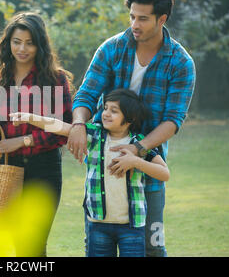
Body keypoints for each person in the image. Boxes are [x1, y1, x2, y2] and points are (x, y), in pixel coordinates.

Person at [68, 0, 196, 257]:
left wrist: (138, 150)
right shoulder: (111, 49)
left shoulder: (180, 62)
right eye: (132, 16)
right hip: (105, 170)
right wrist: (79, 124)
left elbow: (173, 120)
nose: (134, 24)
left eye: (143, 18)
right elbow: (86, 95)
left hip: (148, 170)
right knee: (97, 246)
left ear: (162, 20)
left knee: (152, 247)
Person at [10, 88, 170, 257]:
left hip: (132, 227)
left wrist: (136, 161)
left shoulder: (138, 145)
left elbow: (164, 173)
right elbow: (62, 127)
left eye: (114, 111)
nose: (106, 114)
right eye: (106, 108)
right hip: (97, 225)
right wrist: (30, 117)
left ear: (130, 118)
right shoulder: (93, 135)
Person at [0, 12, 74, 256]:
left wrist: (22, 141)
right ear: (8, 43)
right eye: (16, 41)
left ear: (40, 45)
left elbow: (63, 130)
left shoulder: (55, 79)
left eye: (29, 43)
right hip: (9, 168)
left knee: (33, 244)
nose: (22, 48)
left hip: (45, 169)